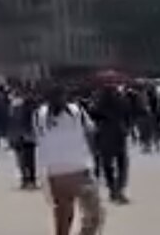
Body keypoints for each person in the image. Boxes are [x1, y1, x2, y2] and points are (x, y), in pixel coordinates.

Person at [35, 85, 104, 235]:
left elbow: (38, 139)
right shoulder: (76, 111)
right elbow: (91, 132)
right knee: (94, 216)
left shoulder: (39, 115)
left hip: (55, 174)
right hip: (79, 170)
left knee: (64, 219)